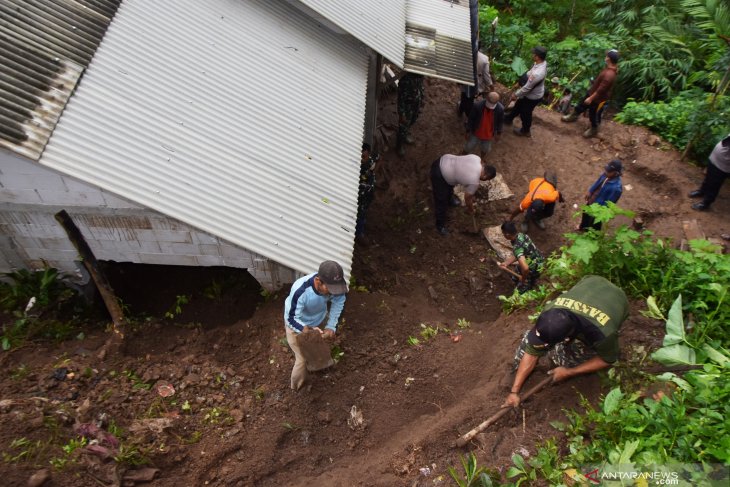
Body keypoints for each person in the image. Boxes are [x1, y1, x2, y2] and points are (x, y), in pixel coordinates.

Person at [503, 275, 629, 408]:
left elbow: (607, 359)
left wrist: (569, 372)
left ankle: (568, 358)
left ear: (567, 336)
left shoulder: (602, 332)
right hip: (592, 280)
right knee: (527, 341)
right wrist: (514, 391)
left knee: (570, 358)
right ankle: (519, 375)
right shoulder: (550, 311)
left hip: (618, 299)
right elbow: (532, 351)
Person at [284, 261, 348, 390]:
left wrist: (331, 326)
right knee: (301, 359)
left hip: (318, 319)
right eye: (330, 289)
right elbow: (291, 318)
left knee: (320, 348)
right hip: (297, 325)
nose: (333, 292)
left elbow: (338, 302)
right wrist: (309, 330)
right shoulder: (300, 290)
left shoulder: (336, 285)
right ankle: (296, 388)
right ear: (318, 281)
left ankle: (318, 367)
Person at [430, 154, 496, 235]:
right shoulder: (474, 181)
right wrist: (471, 209)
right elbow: (467, 198)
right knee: (441, 200)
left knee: (450, 184)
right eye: (486, 179)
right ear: (486, 176)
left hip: (444, 159)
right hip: (439, 174)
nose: (484, 180)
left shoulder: (477, 158)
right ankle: (440, 225)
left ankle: (450, 200)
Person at [562, 49, 619, 138]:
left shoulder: (609, 74)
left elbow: (602, 90)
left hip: (598, 98)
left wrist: (591, 98)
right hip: (593, 93)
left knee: (593, 114)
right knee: (581, 104)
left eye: (607, 56)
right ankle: (573, 116)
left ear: (609, 59)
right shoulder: (609, 69)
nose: (605, 57)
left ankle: (594, 129)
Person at [505, 46, 547, 137]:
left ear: (537, 57)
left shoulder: (538, 73)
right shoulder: (540, 63)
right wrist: (520, 82)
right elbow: (529, 74)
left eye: (534, 54)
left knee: (525, 113)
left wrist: (516, 94)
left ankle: (526, 130)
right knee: (518, 105)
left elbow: (527, 88)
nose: (532, 55)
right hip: (529, 92)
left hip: (533, 96)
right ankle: (508, 119)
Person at [499, 221, 545, 294]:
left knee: (520, 290)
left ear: (507, 235)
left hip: (534, 267)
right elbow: (519, 253)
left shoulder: (517, 247)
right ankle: (517, 279)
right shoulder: (522, 235)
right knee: (518, 268)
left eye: (503, 233)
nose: (503, 235)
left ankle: (526, 287)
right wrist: (506, 263)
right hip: (539, 259)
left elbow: (526, 268)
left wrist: (523, 279)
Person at [578, 159, 623, 231]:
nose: (606, 172)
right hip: (592, 201)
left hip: (599, 208)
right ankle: (582, 228)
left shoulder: (616, 188)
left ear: (616, 173)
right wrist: (590, 191)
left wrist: (600, 212)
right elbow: (598, 182)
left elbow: (610, 203)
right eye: (606, 170)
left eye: (609, 171)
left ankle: (591, 238)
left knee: (594, 224)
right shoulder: (605, 175)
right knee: (585, 214)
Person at [689, 134, 730, 211]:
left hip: (722, 166)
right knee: (708, 178)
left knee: (714, 185)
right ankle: (702, 191)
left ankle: (705, 203)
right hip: (714, 158)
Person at [464, 92, 504, 159]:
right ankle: (463, 155)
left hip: (488, 134)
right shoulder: (477, 106)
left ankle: (482, 159)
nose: (490, 106)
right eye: (489, 102)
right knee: (469, 146)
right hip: (476, 132)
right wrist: (468, 131)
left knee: (485, 148)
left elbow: (500, 121)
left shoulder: (500, 109)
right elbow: (471, 119)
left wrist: (499, 133)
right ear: (486, 99)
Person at [458, 44, 493, 118]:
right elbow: (486, 75)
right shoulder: (484, 59)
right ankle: (469, 116)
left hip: (465, 80)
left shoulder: (464, 55)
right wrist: (490, 84)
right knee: (470, 100)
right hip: (476, 83)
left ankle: (461, 111)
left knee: (464, 96)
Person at [397, 73, 424, 157]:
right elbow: (400, 99)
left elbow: (421, 87)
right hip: (407, 107)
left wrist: (422, 99)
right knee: (403, 126)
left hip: (416, 104)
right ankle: (399, 145)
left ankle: (405, 135)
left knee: (412, 121)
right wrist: (402, 114)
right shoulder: (405, 80)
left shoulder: (420, 76)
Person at [355, 143, 377, 241]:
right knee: (360, 212)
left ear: (368, 153)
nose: (362, 157)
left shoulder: (371, 161)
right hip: (359, 193)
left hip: (367, 193)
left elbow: (379, 160)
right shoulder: (357, 165)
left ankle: (360, 231)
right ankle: (359, 233)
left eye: (364, 155)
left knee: (363, 211)